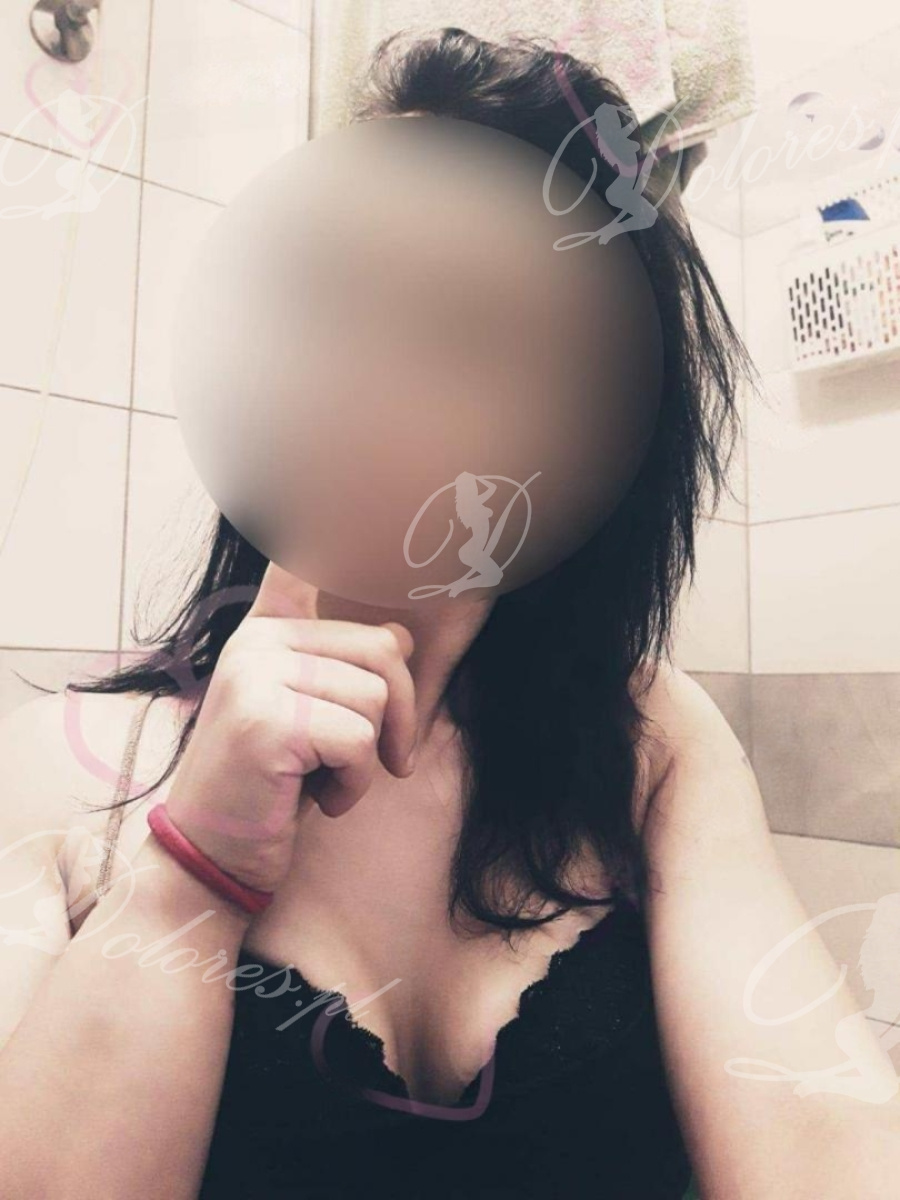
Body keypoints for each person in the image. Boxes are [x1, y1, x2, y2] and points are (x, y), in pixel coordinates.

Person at [0, 28, 897, 1200]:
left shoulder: (652, 743)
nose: (373, 373)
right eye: (333, 298)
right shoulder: (73, 775)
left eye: (473, 328)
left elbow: (823, 1151)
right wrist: (193, 871)